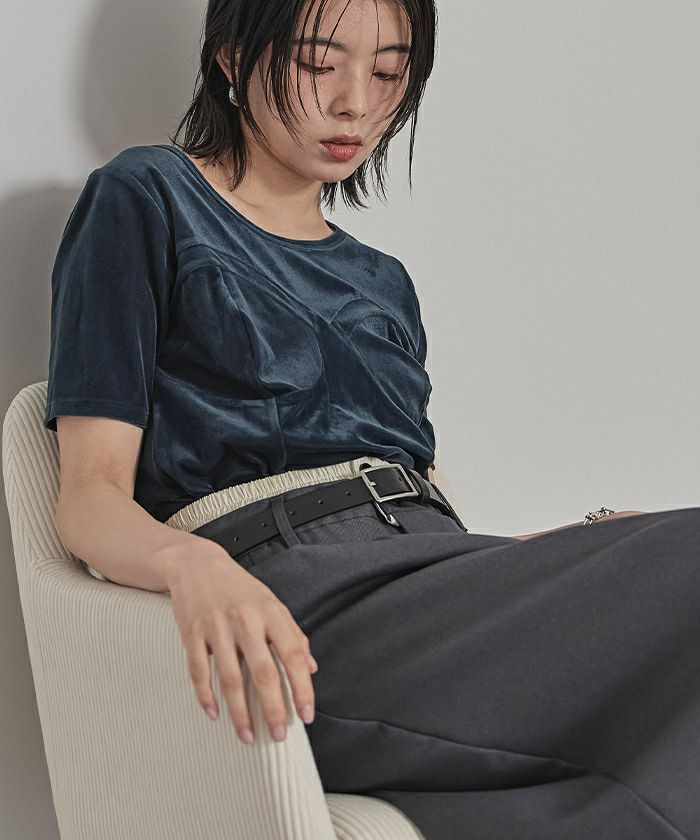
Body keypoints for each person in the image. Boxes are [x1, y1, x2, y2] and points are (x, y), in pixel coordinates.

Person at [44, 1, 700, 838]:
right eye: (319, 63)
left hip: (428, 581)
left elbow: (422, 519)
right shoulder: (147, 197)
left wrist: (579, 546)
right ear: (233, 59)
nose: (357, 102)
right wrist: (192, 566)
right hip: (293, 599)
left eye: (389, 72)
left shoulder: (383, 281)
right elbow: (88, 498)